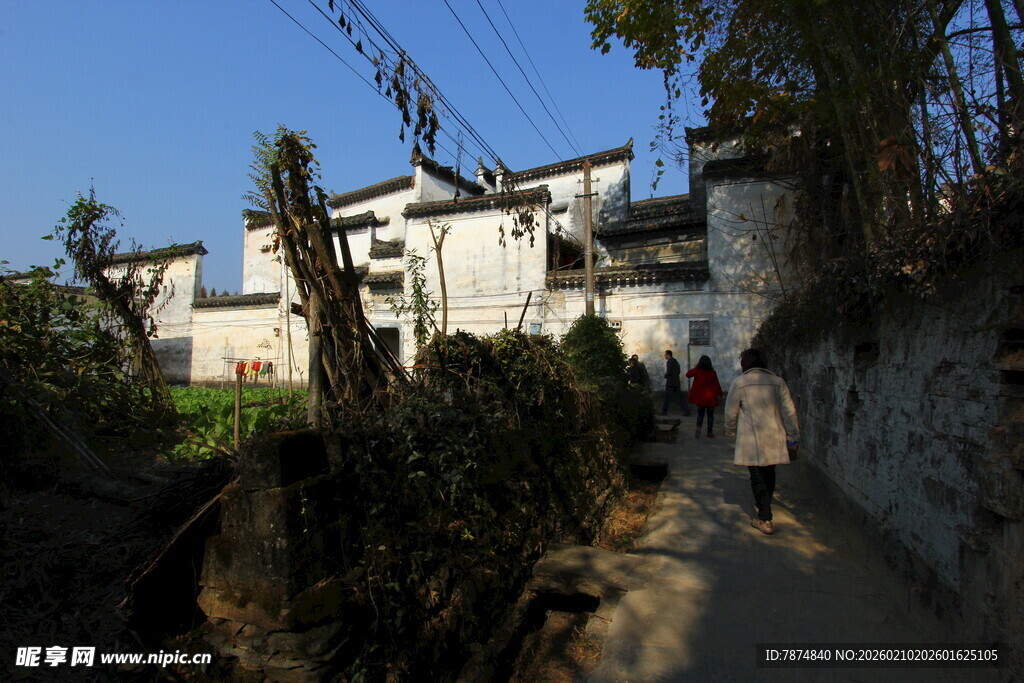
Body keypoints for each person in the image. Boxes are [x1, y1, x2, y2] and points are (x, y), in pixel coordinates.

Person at [724, 348, 799, 536]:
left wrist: (730, 430)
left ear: (745, 364)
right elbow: (789, 411)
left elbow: (730, 411)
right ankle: (764, 506)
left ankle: (765, 518)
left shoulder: (740, 383)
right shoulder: (777, 382)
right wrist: (793, 436)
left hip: (751, 437)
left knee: (756, 475)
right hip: (774, 435)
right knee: (769, 473)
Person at [685, 355, 724, 438]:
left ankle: (698, 429)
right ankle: (709, 432)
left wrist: (695, 368)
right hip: (711, 398)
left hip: (700, 398)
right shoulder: (713, 373)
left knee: (700, 414)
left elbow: (687, 374)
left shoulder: (697, 371)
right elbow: (716, 384)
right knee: (710, 415)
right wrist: (720, 394)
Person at [660, 350, 691, 416]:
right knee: (680, 398)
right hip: (676, 382)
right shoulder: (675, 361)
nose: (665, 356)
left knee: (667, 398)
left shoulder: (669, 362)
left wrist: (666, 375)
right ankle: (687, 411)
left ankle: (664, 412)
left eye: (665, 355)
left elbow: (669, 371)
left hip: (670, 383)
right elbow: (678, 371)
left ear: (668, 355)